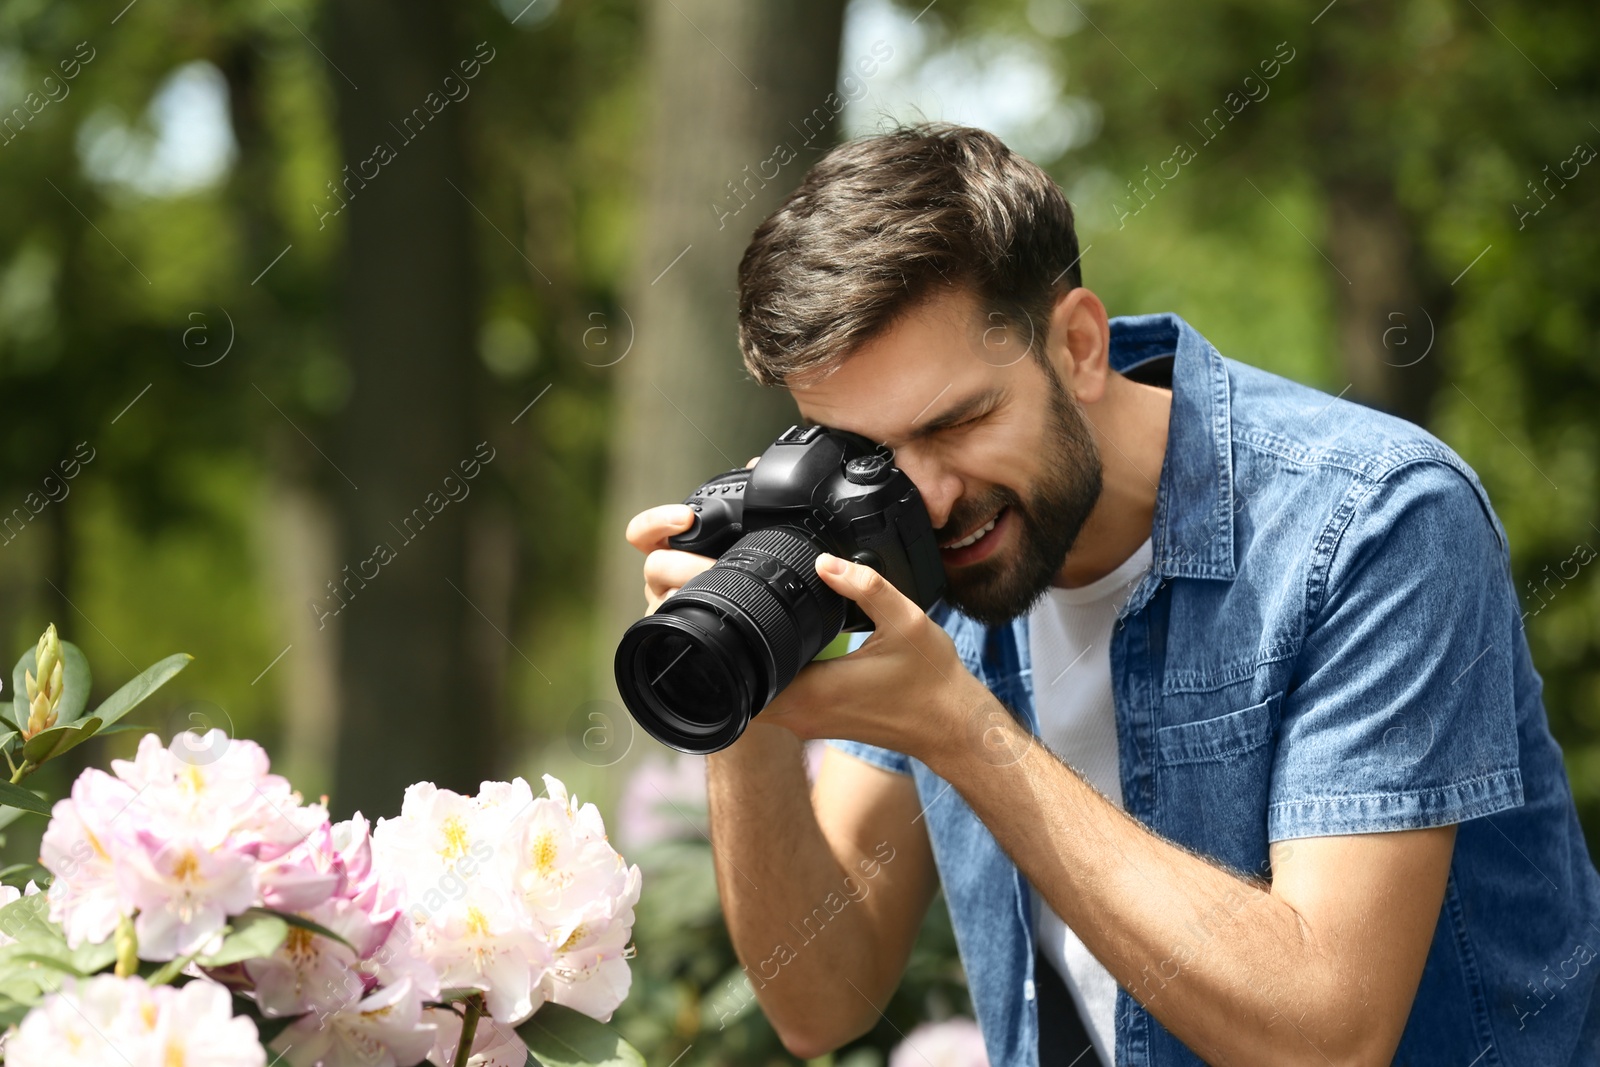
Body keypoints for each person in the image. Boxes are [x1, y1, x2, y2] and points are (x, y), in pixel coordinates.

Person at [623, 124, 1600, 1066]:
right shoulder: (904, 555)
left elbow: (1324, 1033)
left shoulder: (1375, 522)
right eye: (865, 454)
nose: (923, 497)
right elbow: (818, 998)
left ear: (1079, 346)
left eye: (960, 420)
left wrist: (965, 733)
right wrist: (737, 675)